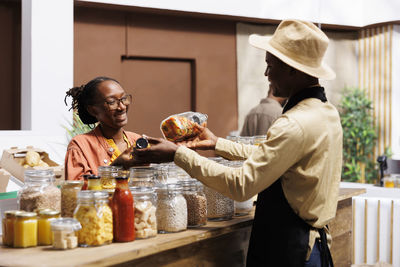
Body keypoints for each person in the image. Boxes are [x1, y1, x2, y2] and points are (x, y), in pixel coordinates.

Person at [132, 19, 342, 267]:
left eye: (269, 65)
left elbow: (241, 185)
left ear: (291, 69)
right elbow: (274, 154)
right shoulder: (325, 112)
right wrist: (216, 143)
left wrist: (178, 154)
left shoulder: (293, 123)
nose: (266, 74)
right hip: (312, 245)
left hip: (292, 250)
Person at [64, 76, 142, 180]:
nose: (122, 107)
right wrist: (115, 167)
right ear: (93, 110)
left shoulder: (137, 140)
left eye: (123, 99)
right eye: (111, 102)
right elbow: (75, 192)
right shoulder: (80, 146)